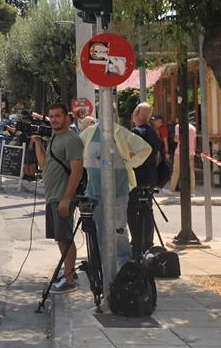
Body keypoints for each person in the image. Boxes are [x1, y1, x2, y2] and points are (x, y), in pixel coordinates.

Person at [81, 120, 151, 267]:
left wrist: (129, 164)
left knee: (118, 227)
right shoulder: (89, 132)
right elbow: (77, 150)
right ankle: (100, 260)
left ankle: (123, 260)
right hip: (94, 189)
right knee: (98, 226)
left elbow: (145, 148)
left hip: (119, 189)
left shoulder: (121, 133)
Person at [32, 103, 84, 294]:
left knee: (65, 238)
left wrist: (66, 199)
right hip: (52, 196)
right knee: (60, 239)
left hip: (62, 197)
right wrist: (38, 143)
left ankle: (69, 280)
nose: (54, 120)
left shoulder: (71, 139)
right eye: (51, 116)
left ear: (67, 118)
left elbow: (76, 171)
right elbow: (45, 164)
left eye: (57, 116)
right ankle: (69, 272)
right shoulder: (55, 137)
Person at [128, 102, 163, 253]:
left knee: (132, 210)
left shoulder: (136, 133)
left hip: (137, 176)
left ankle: (137, 241)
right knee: (147, 209)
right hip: (151, 176)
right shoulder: (153, 132)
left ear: (136, 114)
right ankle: (147, 241)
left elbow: (130, 154)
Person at [169, 119, 197, 196]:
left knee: (176, 170)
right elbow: (194, 142)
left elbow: (177, 139)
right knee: (191, 171)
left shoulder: (178, 126)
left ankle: (172, 189)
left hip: (180, 151)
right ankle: (192, 191)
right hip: (191, 151)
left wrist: (174, 139)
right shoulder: (193, 128)